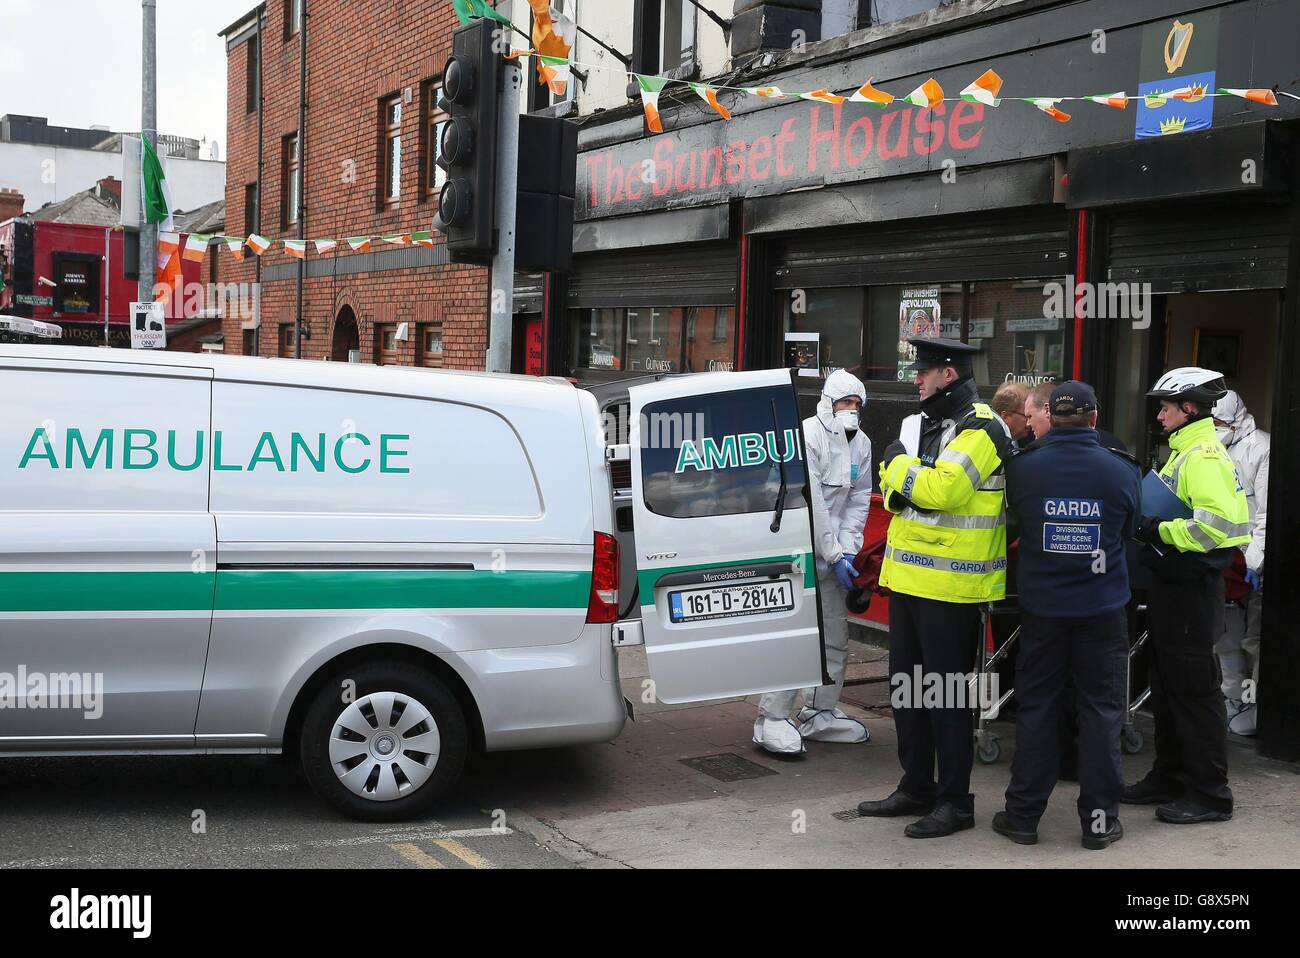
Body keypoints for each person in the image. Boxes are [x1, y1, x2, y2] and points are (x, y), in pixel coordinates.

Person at [858, 338, 1012, 838]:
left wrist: (900, 467)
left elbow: (942, 490)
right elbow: (901, 497)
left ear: (949, 374)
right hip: (907, 580)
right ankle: (916, 786)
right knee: (907, 691)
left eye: (923, 372)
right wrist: (906, 477)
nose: (916, 381)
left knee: (946, 698)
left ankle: (956, 802)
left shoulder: (983, 427)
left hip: (953, 589)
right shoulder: (922, 426)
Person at [991, 381, 1140, 850]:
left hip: (1044, 613)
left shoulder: (1024, 470)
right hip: (1102, 612)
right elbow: (1130, 530)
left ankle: (1022, 817)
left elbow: (1010, 526)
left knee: (1038, 708)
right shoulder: (1121, 471)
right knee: (1101, 712)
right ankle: (1098, 823)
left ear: (1050, 418)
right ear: (1094, 418)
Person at [1125, 367, 1250, 824]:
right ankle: (1170, 776)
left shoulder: (1203, 456)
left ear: (1190, 409)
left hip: (1192, 591)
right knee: (1168, 688)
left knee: (1195, 694)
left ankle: (1210, 795)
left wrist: (1156, 528)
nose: (1159, 415)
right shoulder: (1186, 452)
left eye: (1165, 407)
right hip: (1172, 587)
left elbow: (1222, 529)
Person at [753, 369, 872, 754]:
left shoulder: (863, 444)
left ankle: (821, 711)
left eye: (857, 404)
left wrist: (850, 549)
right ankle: (771, 717)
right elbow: (812, 502)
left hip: (835, 553)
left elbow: (858, 498)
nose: (851, 411)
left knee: (835, 636)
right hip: (800, 551)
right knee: (797, 636)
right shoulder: (808, 435)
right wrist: (834, 552)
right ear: (828, 403)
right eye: (845, 403)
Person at [1211, 390, 1269, 737]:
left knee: (1255, 640)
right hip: (1226, 560)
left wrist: (1252, 562)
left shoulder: (1261, 448)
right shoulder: (1214, 449)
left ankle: (1258, 705)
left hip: (1251, 561)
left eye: (1219, 423)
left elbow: (1265, 515)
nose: (1216, 428)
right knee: (1225, 638)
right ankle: (1235, 699)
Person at [993, 382, 1032, 449]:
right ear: (1006, 417)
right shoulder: (988, 444)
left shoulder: (1033, 439)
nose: (1030, 423)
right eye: (1027, 416)